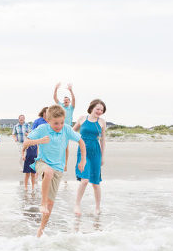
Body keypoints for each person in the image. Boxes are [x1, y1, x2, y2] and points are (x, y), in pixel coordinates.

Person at [23, 104, 86, 237]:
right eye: (56, 123)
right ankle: (42, 202)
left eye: (62, 122)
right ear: (48, 120)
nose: (59, 126)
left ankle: (41, 229)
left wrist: (83, 160)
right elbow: (26, 142)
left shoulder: (67, 129)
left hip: (58, 168)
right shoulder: (42, 128)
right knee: (49, 172)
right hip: (42, 163)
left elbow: (81, 142)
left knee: (51, 204)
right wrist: (39, 140)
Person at [73, 99, 106, 216]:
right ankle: (77, 205)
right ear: (92, 108)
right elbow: (72, 132)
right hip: (83, 152)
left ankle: (97, 207)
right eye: (98, 109)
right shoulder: (82, 119)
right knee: (85, 180)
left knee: (96, 183)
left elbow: (103, 140)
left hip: (96, 152)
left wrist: (102, 156)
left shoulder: (102, 122)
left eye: (102, 110)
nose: (99, 111)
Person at [53, 83, 76, 171]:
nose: (66, 101)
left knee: (66, 147)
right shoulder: (60, 106)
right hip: (59, 127)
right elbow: (55, 98)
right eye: (65, 100)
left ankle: (65, 164)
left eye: (67, 100)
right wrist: (56, 89)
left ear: (69, 102)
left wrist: (71, 91)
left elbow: (74, 99)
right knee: (57, 144)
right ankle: (56, 162)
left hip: (67, 128)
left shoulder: (71, 108)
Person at [12, 115, 34, 190]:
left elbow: (31, 133)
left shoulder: (28, 125)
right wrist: (15, 139)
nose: (21, 119)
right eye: (20, 118)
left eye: (23, 118)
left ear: (24, 119)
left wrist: (28, 134)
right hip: (19, 142)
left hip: (27, 141)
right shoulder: (16, 126)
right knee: (21, 155)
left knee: (27, 155)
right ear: (18, 119)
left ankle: (26, 166)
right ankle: (21, 166)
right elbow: (14, 134)